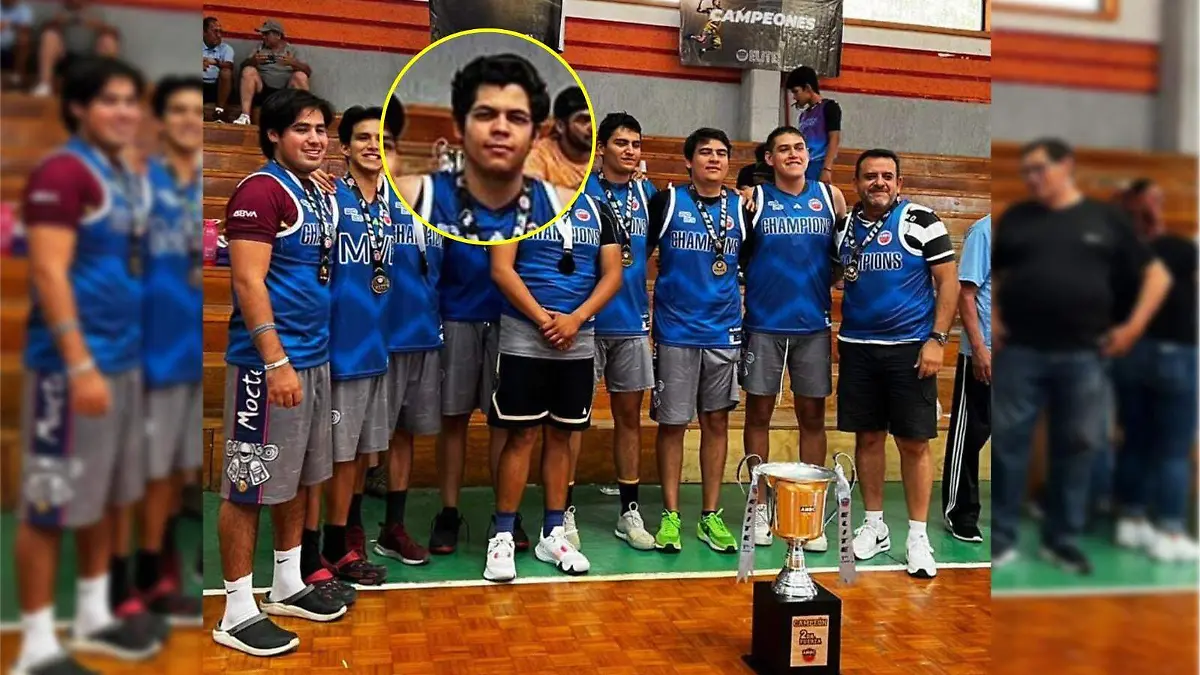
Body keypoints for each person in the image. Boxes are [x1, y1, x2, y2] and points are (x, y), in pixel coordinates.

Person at [389, 53, 579, 554]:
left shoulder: (549, 199)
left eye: (515, 117)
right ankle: (449, 512)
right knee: (454, 421)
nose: (500, 127)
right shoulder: (433, 194)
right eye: (485, 114)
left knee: (505, 423)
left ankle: (504, 517)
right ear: (461, 126)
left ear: (534, 134)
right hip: (458, 314)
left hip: (513, 320)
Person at [14, 56, 160, 675]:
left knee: (108, 496)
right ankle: (35, 645)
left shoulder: (122, 173)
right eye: (109, 100)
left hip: (123, 363)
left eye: (130, 100)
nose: (124, 111)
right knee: (49, 505)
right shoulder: (62, 171)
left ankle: (95, 615)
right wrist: (78, 366)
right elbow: (49, 273)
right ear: (77, 108)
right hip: (66, 372)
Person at [991, 139, 1171, 573]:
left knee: (1078, 447)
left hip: (1084, 356)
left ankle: (1062, 540)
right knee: (1007, 445)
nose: (1032, 178)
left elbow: (1157, 276)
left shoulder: (1104, 218)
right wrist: (992, 316)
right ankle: (1001, 539)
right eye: (1026, 172)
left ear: (1066, 166)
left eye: (1039, 169)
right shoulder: (1017, 218)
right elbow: (992, 272)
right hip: (1020, 353)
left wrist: (1132, 328)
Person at [213, 89, 348, 657]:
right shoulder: (260, 191)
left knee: (297, 477)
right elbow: (248, 282)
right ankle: (236, 610)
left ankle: (288, 583)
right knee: (248, 485)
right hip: (266, 366)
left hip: (313, 359)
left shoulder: (312, 190)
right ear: (273, 134)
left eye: (320, 128)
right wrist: (275, 361)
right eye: (301, 129)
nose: (315, 139)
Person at [298, 104, 409, 592]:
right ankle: (308, 550)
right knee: (324, 460)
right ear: (344, 147)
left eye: (380, 139)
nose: (372, 146)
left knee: (358, 458)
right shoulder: (328, 196)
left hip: (375, 350)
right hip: (336, 351)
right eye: (363, 138)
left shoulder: (389, 206)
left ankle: (340, 544)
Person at [835, 148, 959, 579]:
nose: (879, 183)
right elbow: (836, 275)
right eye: (870, 176)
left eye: (887, 176)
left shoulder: (921, 220)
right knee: (868, 438)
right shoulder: (844, 227)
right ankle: (874, 526)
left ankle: (918, 536)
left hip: (910, 349)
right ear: (857, 183)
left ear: (899, 183)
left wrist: (937, 340)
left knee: (913, 442)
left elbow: (948, 283)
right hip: (857, 347)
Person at [486, 194, 623, 581]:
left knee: (562, 435)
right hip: (524, 335)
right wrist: (545, 320)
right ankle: (502, 534)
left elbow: (612, 274)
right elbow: (501, 268)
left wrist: (575, 319)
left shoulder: (598, 208)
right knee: (522, 434)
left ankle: (553, 532)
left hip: (577, 337)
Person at [739, 125, 846, 550]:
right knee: (757, 416)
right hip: (764, 324)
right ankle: (759, 508)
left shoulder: (831, 197)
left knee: (813, 418)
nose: (793, 154)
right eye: (783, 149)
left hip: (813, 326)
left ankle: (807, 509)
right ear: (769, 159)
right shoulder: (754, 200)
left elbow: (840, 258)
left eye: (799, 147)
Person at [647, 127, 746, 555]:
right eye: (705, 152)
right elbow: (637, 256)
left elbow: (750, 262)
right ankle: (670, 514)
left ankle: (709, 515)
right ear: (689, 161)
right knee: (672, 424)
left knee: (716, 422)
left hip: (723, 331)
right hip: (676, 331)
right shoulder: (667, 201)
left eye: (721, 153)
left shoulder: (742, 207)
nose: (714, 159)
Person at [136, 75, 206, 627]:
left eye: (196, 110)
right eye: (177, 110)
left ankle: (165, 561)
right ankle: (147, 574)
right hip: (150, 345)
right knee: (154, 469)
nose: (188, 120)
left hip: (190, 344)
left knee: (179, 466)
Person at [1110, 180, 1198, 562]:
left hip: (1131, 356)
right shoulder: (1177, 249)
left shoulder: (1118, 255)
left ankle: (1131, 519)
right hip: (1174, 353)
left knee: (1136, 440)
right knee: (1173, 449)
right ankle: (1170, 531)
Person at [582, 112, 658, 551]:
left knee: (630, 418)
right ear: (601, 148)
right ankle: (562, 513)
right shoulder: (583, 192)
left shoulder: (650, 195)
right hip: (586, 323)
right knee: (573, 420)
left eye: (635, 144)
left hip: (631, 323)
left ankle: (629, 511)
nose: (630, 151)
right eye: (621, 143)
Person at [377, 109, 441, 567]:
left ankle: (392, 527)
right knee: (361, 445)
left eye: (391, 147)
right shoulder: (351, 199)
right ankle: (346, 530)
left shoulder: (431, 205)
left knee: (404, 437)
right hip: (373, 342)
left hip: (423, 337)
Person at [941, 214, 991, 544]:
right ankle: (960, 512)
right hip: (986, 353)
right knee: (970, 435)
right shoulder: (986, 230)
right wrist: (979, 348)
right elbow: (966, 292)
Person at [32, 0, 120, 97]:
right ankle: (45, 84)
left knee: (108, 41)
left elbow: (114, 33)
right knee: (49, 36)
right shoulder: (56, 8)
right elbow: (43, 29)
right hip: (63, 56)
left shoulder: (99, 11)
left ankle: (106, 88)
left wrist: (100, 26)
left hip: (90, 56)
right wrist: (58, 23)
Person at [232, 19, 311, 125]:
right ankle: (245, 116)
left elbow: (308, 71)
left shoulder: (292, 50)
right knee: (248, 71)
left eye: (266, 34)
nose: (263, 37)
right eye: (262, 34)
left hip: (285, 90)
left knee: (300, 76)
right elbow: (243, 67)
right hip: (263, 89)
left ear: (278, 35)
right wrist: (254, 61)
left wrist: (292, 63)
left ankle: (304, 118)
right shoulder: (259, 47)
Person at [524, 85, 592, 190]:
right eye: (583, 120)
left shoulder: (602, 151)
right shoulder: (540, 157)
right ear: (560, 126)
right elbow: (534, 194)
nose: (591, 127)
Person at [785, 66, 842, 184]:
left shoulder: (829, 107)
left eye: (796, 91)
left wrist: (827, 168)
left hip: (819, 164)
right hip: (804, 164)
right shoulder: (804, 115)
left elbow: (834, 138)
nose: (794, 97)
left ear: (807, 88)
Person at [202, 17, 234, 120]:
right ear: (204, 32)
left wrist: (215, 62)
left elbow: (229, 65)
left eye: (220, 32)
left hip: (216, 87)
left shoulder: (226, 48)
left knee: (226, 72)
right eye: (215, 31)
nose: (219, 35)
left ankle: (219, 111)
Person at [1, 0, 34, 87]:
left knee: (24, 39)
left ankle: (17, 76)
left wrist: (10, 25)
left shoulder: (23, 9)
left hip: (12, 48)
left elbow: (26, 29)